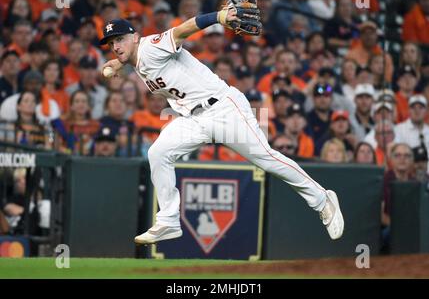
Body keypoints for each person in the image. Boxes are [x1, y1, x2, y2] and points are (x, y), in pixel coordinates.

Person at [100, 13, 344, 244]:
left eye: (120, 39)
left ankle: (323, 200)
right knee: (158, 152)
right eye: (112, 43)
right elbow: (126, 58)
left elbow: (182, 31)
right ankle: (168, 221)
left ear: (135, 37)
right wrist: (114, 65)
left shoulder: (150, 46)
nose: (116, 46)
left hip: (223, 109)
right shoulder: (135, 56)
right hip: (193, 119)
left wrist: (217, 17)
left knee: (267, 159)